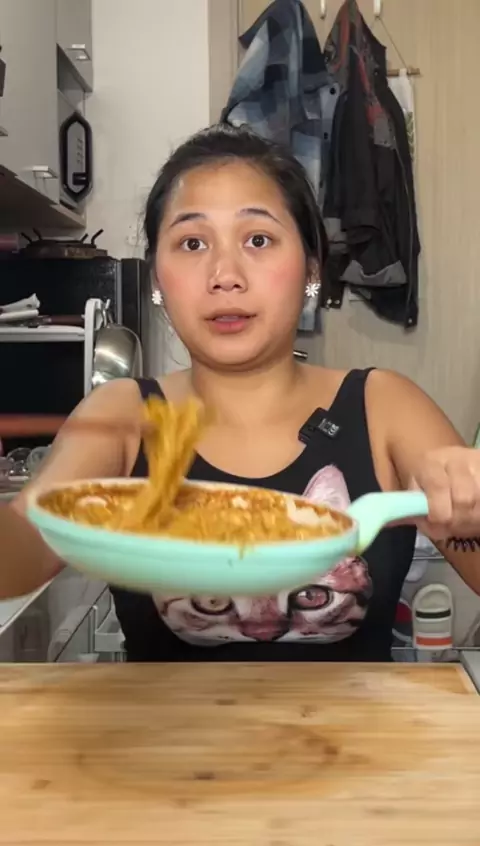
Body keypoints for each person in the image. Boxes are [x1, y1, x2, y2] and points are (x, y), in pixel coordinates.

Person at [2, 124, 480, 662]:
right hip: (164, 723)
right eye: (192, 243)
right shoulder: (122, 414)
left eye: (258, 240)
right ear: (157, 279)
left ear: (312, 270)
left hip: (355, 722)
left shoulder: (385, 406)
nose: (225, 275)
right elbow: (20, 560)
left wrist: (469, 503)